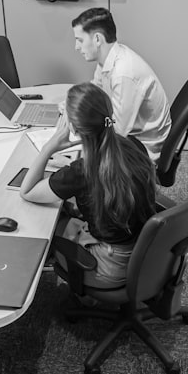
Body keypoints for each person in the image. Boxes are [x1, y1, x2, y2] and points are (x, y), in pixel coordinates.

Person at [20, 82, 156, 288]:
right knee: (66, 208)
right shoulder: (131, 144)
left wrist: (49, 147)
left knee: (43, 224)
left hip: (110, 266)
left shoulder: (82, 171)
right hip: (142, 247)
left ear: (73, 128)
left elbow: (27, 191)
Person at [71, 7, 171, 164]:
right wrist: (72, 107)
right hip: (132, 132)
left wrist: (86, 127)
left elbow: (118, 130)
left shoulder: (124, 73)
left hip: (142, 147)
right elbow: (95, 91)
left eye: (80, 40)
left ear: (97, 39)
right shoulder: (108, 58)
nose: (76, 47)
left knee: (80, 163)